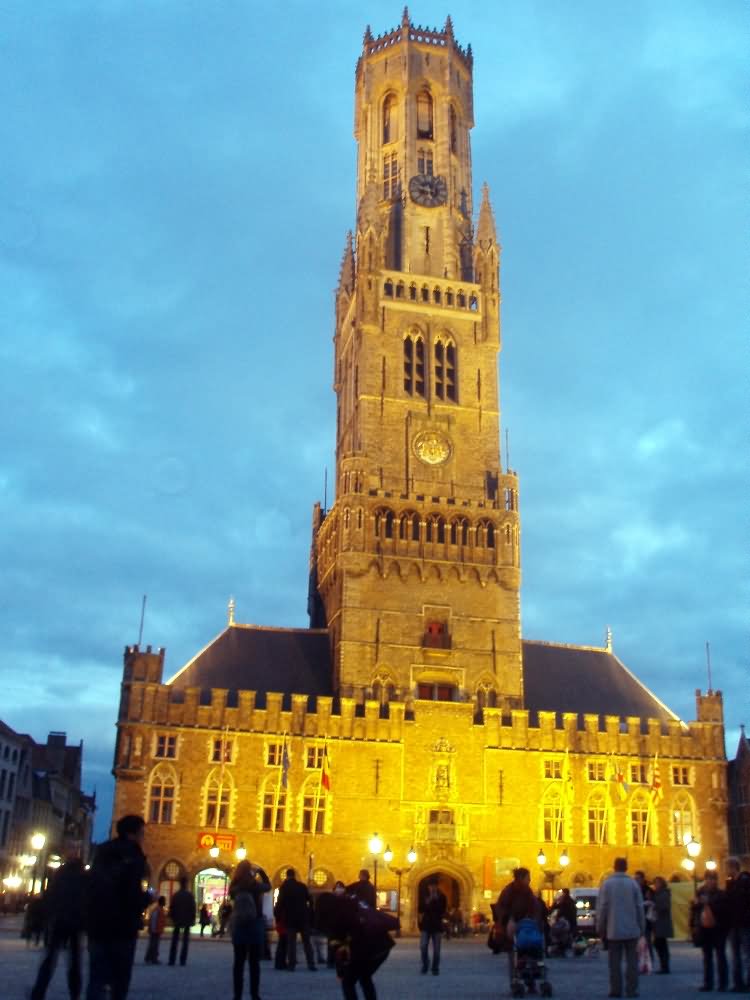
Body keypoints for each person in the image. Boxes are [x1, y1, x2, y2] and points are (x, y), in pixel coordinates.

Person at [85, 814, 151, 1000]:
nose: (143, 837)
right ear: (134, 833)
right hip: (123, 927)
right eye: (142, 833)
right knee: (119, 981)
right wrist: (145, 899)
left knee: (96, 978)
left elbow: (91, 886)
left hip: (97, 925)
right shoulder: (134, 856)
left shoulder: (102, 851)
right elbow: (131, 893)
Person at [29, 855, 87, 1000]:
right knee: (75, 961)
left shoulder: (60, 876)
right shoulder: (84, 877)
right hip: (75, 922)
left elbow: (51, 897)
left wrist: (48, 917)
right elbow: (87, 901)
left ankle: (39, 991)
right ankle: (75, 993)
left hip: (59, 921)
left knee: (50, 958)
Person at [596, 857, 644, 999]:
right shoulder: (633, 884)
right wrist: (642, 926)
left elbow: (602, 907)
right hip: (632, 930)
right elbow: (639, 907)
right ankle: (632, 989)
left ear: (614, 867)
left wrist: (601, 926)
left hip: (614, 929)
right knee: (632, 962)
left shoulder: (607, 884)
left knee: (614, 963)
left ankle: (616, 989)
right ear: (626, 868)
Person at [228, 858, 271, 1000]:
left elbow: (231, 894)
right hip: (255, 924)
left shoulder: (235, 886)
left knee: (238, 962)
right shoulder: (254, 885)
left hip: (239, 925)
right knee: (254, 963)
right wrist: (261, 872)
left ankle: (237, 995)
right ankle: (254, 994)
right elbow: (268, 886)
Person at [691, 870, 730, 993]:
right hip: (704, 928)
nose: (710, 881)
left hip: (718, 928)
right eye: (708, 879)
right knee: (707, 956)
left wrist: (709, 903)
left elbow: (724, 911)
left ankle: (723, 983)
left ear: (716, 881)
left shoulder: (721, 894)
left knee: (720, 956)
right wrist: (696, 905)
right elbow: (694, 910)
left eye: (713, 879)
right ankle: (708, 983)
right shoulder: (700, 892)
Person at [274, 867, 317, 970]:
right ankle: (311, 964)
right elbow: (310, 900)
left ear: (287, 876)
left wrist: (277, 916)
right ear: (295, 875)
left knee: (291, 943)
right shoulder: (302, 886)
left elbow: (280, 904)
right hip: (303, 918)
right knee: (307, 942)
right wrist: (310, 912)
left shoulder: (284, 887)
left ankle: (291, 965)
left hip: (290, 918)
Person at [726, 856, 750, 992]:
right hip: (734, 924)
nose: (725, 870)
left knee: (747, 954)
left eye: (727, 867)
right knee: (735, 955)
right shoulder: (731, 882)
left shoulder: (745, 881)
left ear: (733, 867)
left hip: (744, 923)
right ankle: (738, 982)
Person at [418, 876, 447, 975]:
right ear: (428, 887)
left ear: (437, 886)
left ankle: (435, 968)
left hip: (437, 925)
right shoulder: (424, 896)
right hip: (426, 925)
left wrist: (437, 900)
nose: (432, 888)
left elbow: (442, 911)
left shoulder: (442, 896)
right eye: (431, 886)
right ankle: (425, 965)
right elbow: (420, 909)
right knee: (423, 946)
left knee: (437, 949)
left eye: (434, 886)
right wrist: (429, 900)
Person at [168, 876, 196, 966]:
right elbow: (193, 908)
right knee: (185, 942)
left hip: (177, 920)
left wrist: (172, 917)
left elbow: (171, 908)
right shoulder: (189, 895)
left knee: (175, 941)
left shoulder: (176, 895)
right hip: (187, 920)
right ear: (186, 884)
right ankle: (182, 960)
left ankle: (172, 960)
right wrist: (192, 919)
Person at [650, 876, 673, 974]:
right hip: (659, 922)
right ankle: (664, 966)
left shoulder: (663, 894)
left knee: (660, 944)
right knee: (660, 944)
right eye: (655, 883)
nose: (655, 885)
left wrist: (654, 905)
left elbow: (664, 907)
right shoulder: (658, 893)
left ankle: (665, 966)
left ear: (662, 884)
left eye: (657, 883)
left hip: (662, 922)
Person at [143, 896, 167, 963]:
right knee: (154, 945)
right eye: (164, 901)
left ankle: (148, 957)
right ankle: (153, 958)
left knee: (152, 944)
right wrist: (153, 929)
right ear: (162, 902)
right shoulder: (158, 910)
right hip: (155, 930)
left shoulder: (159, 909)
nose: (165, 902)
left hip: (156, 930)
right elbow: (154, 920)